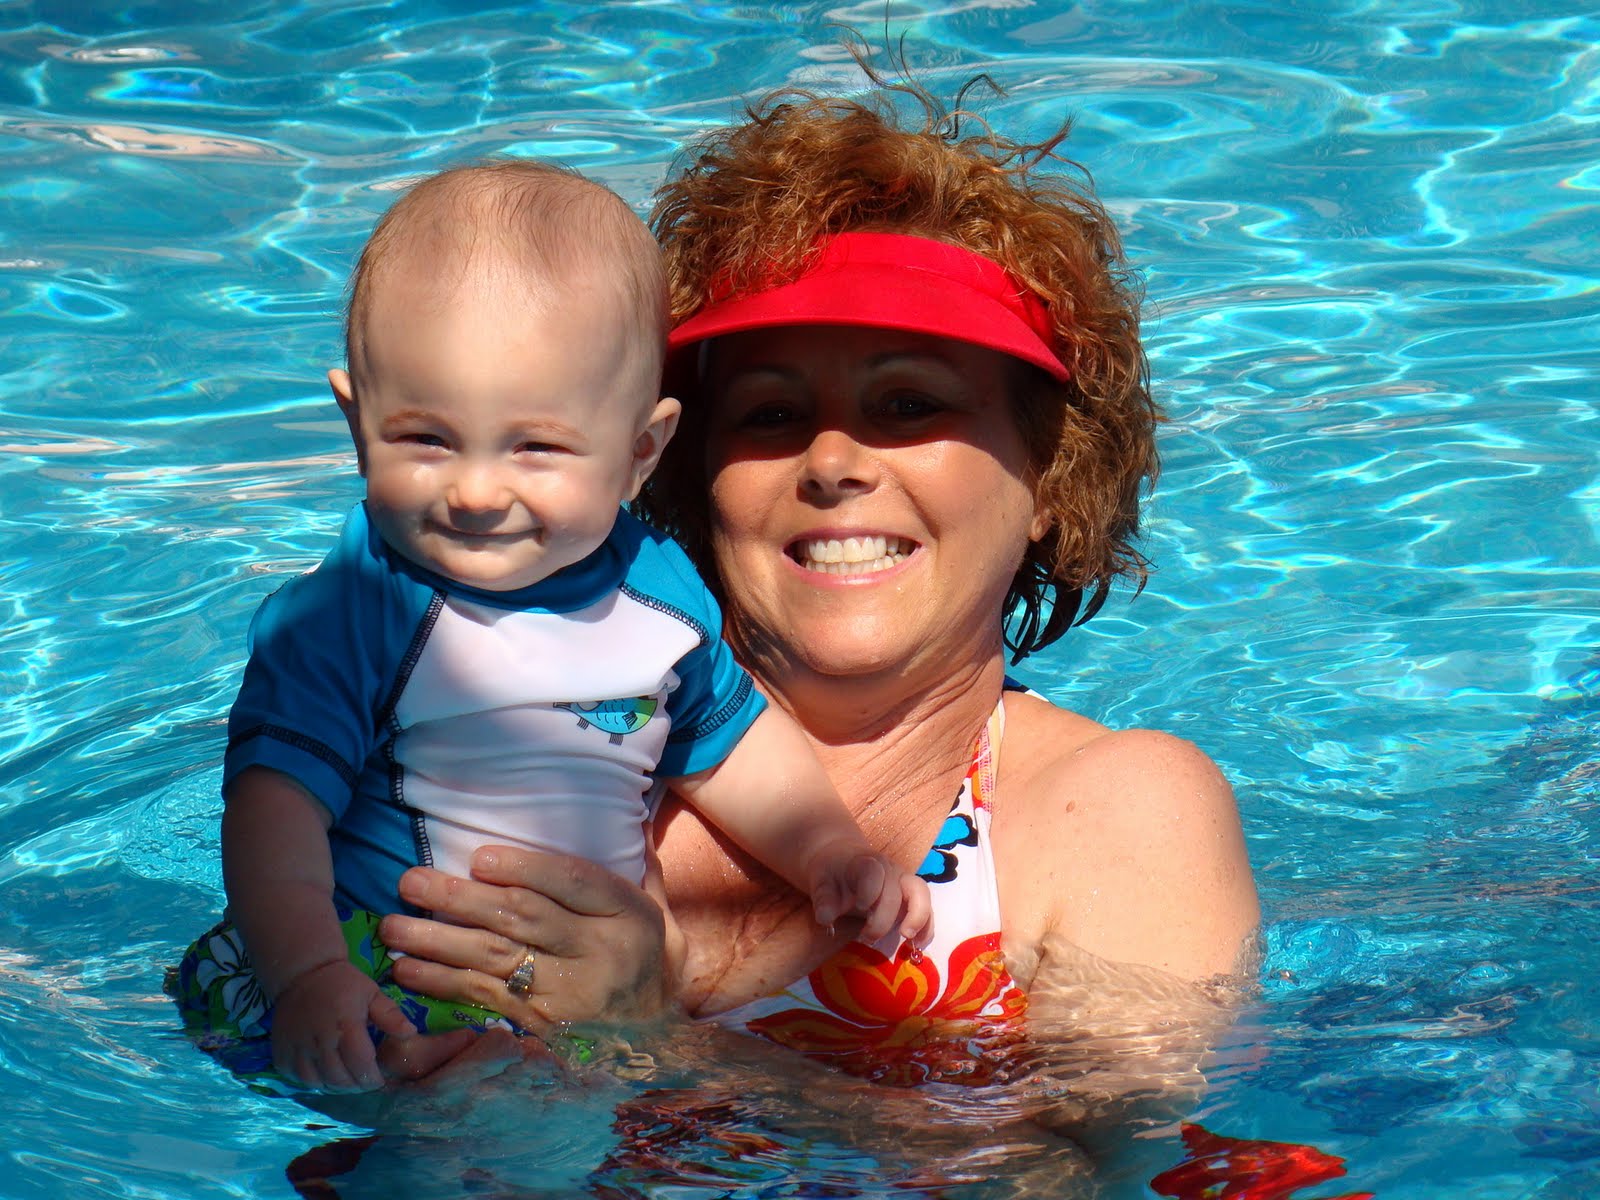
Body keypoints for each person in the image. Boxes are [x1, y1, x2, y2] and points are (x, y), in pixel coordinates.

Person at [368, 79, 1261, 1126]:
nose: (832, 461)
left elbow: (1089, 1176)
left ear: (1051, 480)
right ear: (678, 470)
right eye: (771, 413)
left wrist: (650, 1041)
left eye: (908, 403)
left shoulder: (1112, 812)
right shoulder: (513, 739)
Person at [171, 160, 931, 1096]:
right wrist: (309, 974)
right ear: (356, 422)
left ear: (641, 452)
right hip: (377, 967)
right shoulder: (357, 609)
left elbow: (729, 744)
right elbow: (274, 806)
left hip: (556, 999)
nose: (476, 491)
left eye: (535, 447)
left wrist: (828, 851)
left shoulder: (660, 590)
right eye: (426, 439)